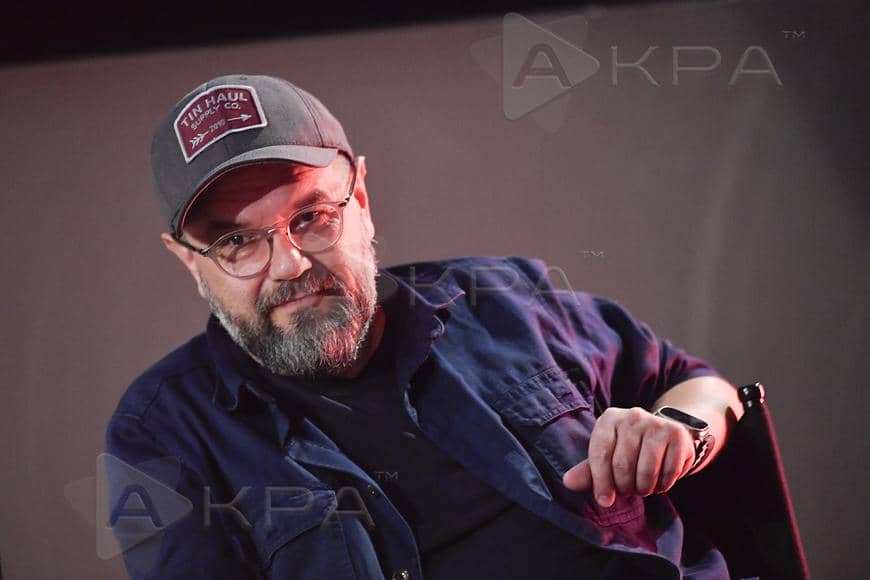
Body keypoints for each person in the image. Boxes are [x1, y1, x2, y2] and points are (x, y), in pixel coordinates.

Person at [105, 74, 743, 579]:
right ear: (190, 262)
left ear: (360, 199)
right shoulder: (165, 430)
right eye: (237, 242)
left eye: (312, 216)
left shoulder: (506, 299)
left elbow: (700, 384)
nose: (290, 264)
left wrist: (678, 429)